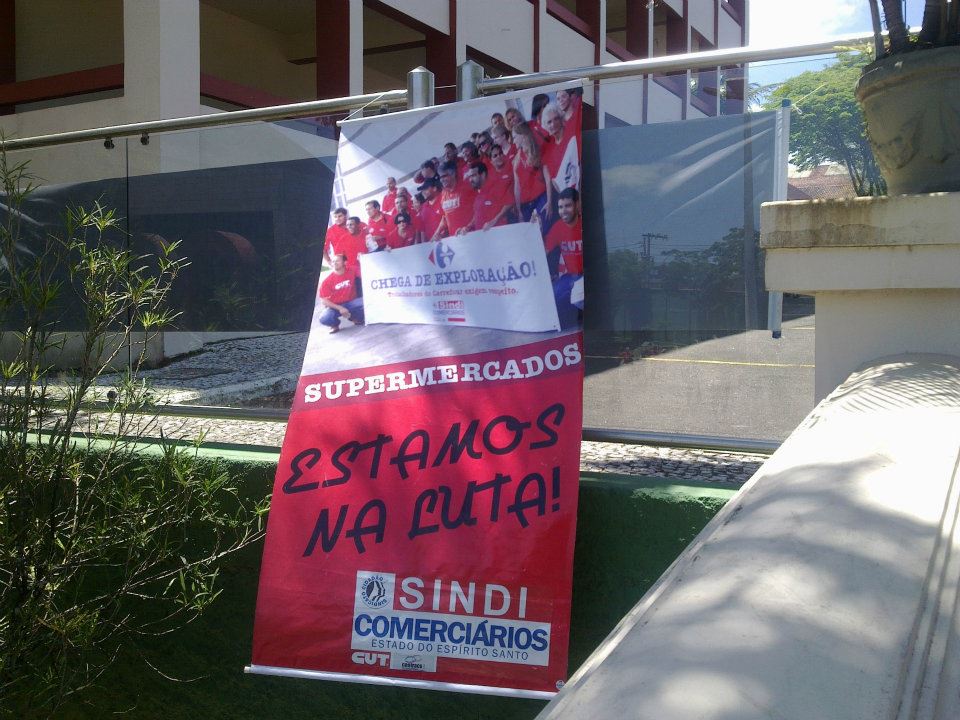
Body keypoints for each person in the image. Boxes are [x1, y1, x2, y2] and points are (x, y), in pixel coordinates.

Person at [544, 187, 583, 329]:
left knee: (579, 297)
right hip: (570, 277)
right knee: (552, 300)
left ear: (577, 205)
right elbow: (543, 252)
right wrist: (534, 229)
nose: (563, 211)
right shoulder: (557, 227)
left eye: (567, 206)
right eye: (560, 207)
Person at [540, 102, 580, 224]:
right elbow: (553, 181)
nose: (553, 124)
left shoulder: (572, 135)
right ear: (546, 126)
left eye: (556, 119)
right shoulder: (548, 149)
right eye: (549, 122)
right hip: (565, 197)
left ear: (561, 119)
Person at [318, 253, 364, 334]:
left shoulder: (352, 270)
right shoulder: (327, 281)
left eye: (337, 261)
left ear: (345, 262)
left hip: (351, 302)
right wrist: (339, 308)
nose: (334, 263)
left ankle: (354, 317)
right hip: (335, 306)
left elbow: (366, 273)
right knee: (324, 318)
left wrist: (362, 260)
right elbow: (324, 300)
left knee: (366, 302)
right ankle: (334, 325)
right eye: (333, 261)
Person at [463, 161, 512, 233]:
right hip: (483, 237)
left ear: (483, 175)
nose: (470, 180)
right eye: (470, 177)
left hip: (499, 235)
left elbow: (510, 203)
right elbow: (477, 215)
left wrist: (494, 220)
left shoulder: (496, 187)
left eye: (473, 176)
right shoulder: (478, 193)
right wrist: (468, 226)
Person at [512, 124, 548, 223]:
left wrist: (549, 199)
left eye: (514, 137)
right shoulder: (517, 159)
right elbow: (517, 186)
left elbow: (547, 177)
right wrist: (519, 210)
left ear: (522, 135)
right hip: (526, 205)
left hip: (541, 198)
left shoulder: (536, 151)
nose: (513, 141)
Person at [435, 160, 476, 238]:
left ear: (453, 174)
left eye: (444, 176)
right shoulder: (443, 193)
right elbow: (444, 217)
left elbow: (480, 210)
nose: (442, 180)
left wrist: (468, 227)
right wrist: (437, 233)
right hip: (455, 240)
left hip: (471, 236)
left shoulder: (467, 188)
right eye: (440, 177)